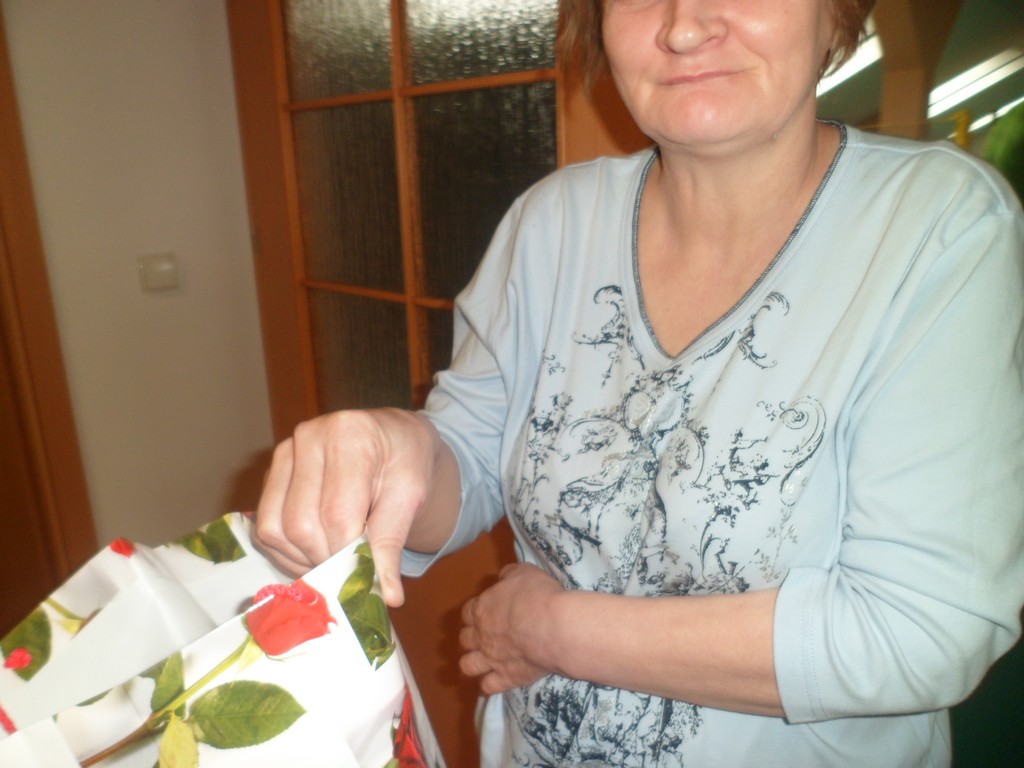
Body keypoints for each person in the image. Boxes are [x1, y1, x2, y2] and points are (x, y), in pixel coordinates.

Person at [254, 0, 1024, 764]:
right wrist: (400, 448)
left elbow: (918, 630)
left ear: (837, 14)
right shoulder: (554, 221)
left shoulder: (937, 227)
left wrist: (549, 632)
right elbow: (476, 456)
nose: (685, 27)